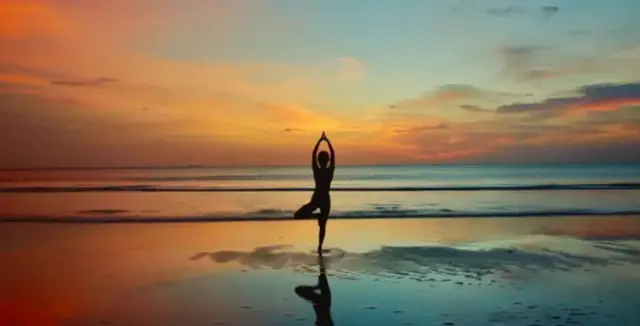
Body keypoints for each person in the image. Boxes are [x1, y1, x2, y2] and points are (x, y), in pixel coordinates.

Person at [294, 132, 335, 254]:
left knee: (298, 215)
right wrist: (327, 141)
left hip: (317, 198)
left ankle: (319, 247)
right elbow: (333, 154)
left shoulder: (317, 170)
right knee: (323, 225)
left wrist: (319, 141)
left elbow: (313, 154)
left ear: (318, 160)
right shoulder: (330, 171)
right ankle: (320, 246)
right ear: (327, 160)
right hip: (325, 199)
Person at [294, 255, 334, 326]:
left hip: (321, 303)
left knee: (322, 274)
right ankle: (321, 260)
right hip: (323, 303)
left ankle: (321, 261)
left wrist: (316, 287)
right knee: (322, 274)